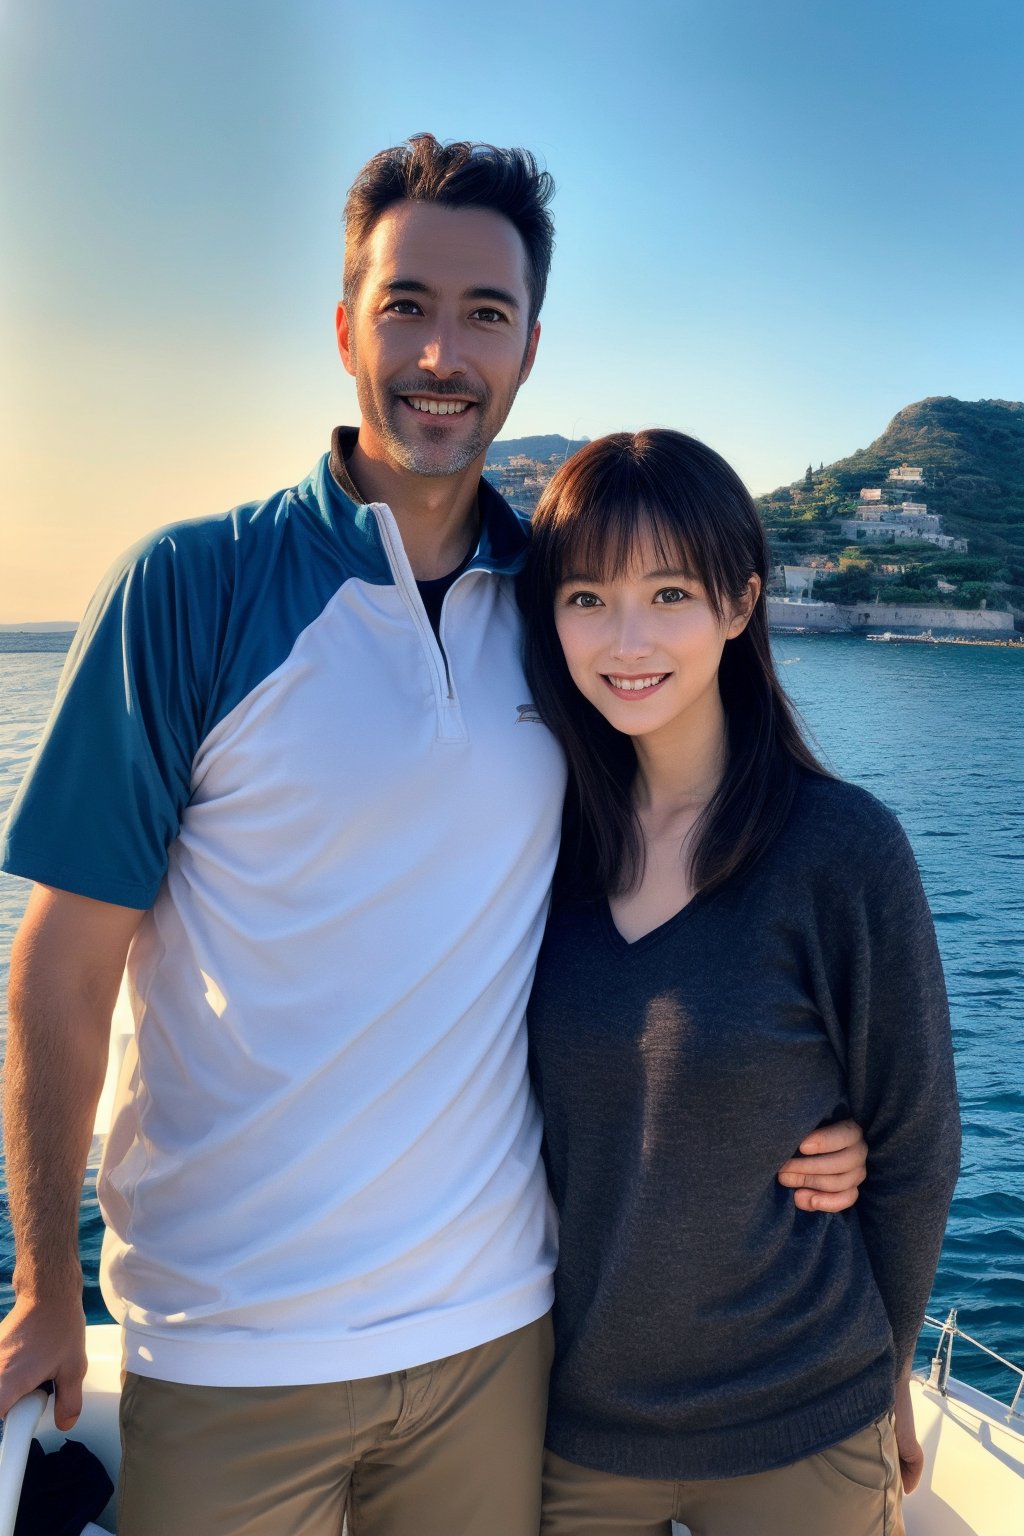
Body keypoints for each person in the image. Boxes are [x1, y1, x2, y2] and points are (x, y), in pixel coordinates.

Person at [0, 140, 865, 1536]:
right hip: (230, 1346)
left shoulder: (569, 611)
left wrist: (811, 1121)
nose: (441, 352)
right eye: (407, 304)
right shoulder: (190, 590)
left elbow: (678, 890)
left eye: (484, 314)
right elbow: (61, 963)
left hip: (496, 1338)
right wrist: (45, 1285)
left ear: (529, 348)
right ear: (346, 325)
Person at [520, 429, 960, 1536]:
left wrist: (888, 1375)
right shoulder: (534, 852)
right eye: (585, 597)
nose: (627, 640)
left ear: (738, 602)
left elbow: (914, 1145)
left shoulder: (840, 850)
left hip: (803, 1420)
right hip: (570, 1431)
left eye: (669, 592)